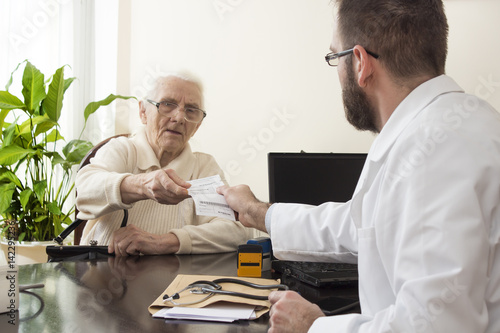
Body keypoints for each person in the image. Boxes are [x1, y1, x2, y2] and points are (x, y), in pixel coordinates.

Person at [217, 0, 500, 332]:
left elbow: (435, 325)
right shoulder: (460, 123)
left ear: (361, 62)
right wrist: (258, 213)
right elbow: (359, 226)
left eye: (335, 57)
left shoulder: (432, 150)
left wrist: (313, 326)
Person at [75, 74, 249, 256]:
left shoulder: (204, 167)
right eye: (167, 104)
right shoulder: (122, 149)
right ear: (143, 112)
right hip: (103, 275)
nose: (179, 117)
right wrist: (142, 185)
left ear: (197, 126)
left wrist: (163, 242)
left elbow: (236, 231)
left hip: (174, 281)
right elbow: (85, 190)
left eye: (191, 110)